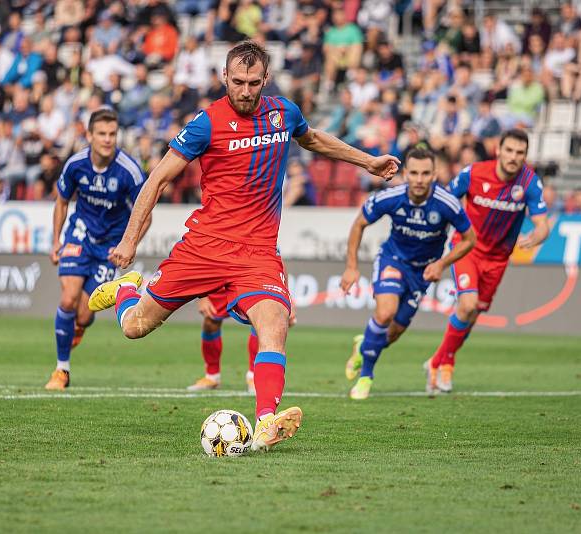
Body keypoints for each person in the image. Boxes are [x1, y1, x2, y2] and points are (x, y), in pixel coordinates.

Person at [85, 41, 399, 452]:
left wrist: (369, 161)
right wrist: (129, 240)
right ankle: (127, 287)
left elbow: (315, 140)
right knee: (134, 327)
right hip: (204, 248)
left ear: (265, 80)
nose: (246, 91)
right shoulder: (206, 123)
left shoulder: (284, 113)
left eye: (253, 82)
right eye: (238, 82)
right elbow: (156, 180)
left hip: (257, 253)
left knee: (275, 324)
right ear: (224, 79)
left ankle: (266, 422)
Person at [339, 148, 476, 399]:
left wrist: (442, 264)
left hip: (422, 273)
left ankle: (363, 347)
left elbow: (470, 239)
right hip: (393, 259)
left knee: (392, 333)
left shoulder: (447, 204)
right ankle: (366, 377)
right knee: (385, 312)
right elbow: (359, 223)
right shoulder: (391, 197)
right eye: (414, 173)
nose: (420, 179)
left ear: (434, 175)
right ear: (405, 174)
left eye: (425, 173)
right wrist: (351, 267)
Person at [425, 129, 550, 393]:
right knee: (467, 305)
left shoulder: (529, 183)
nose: (514, 157)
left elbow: (542, 225)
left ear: (525, 156)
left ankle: (442, 360)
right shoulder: (474, 173)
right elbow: (446, 200)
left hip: (498, 259)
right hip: (467, 248)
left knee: (472, 315)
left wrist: (536, 236)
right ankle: (440, 364)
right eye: (510, 151)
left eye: (520, 153)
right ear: (498, 151)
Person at [44, 107, 151, 390]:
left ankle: (77, 326)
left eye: (112, 134)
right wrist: (56, 240)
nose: (107, 139)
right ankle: (61, 370)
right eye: (101, 134)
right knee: (68, 299)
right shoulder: (75, 164)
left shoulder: (129, 171)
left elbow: (146, 214)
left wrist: (130, 245)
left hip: (110, 247)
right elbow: (61, 202)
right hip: (79, 235)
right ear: (89, 135)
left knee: (84, 313)